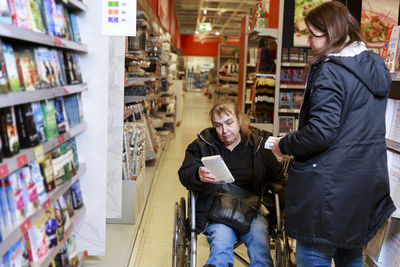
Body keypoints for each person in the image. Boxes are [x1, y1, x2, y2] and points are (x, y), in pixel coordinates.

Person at [271, 2, 396, 266]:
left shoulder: (332, 70)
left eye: (313, 35)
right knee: (350, 252)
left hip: (329, 186)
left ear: (333, 34)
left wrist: (285, 144)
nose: (307, 41)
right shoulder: (374, 66)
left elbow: (320, 132)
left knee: (314, 253)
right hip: (362, 184)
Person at [178, 98, 286, 267]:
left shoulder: (258, 147)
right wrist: (197, 174)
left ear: (239, 120)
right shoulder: (202, 145)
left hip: (253, 210)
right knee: (220, 248)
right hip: (217, 211)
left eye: (229, 123)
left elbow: (279, 180)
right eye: (218, 125)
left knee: (260, 247)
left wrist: (273, 206)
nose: (224, 130)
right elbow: (185, 173)